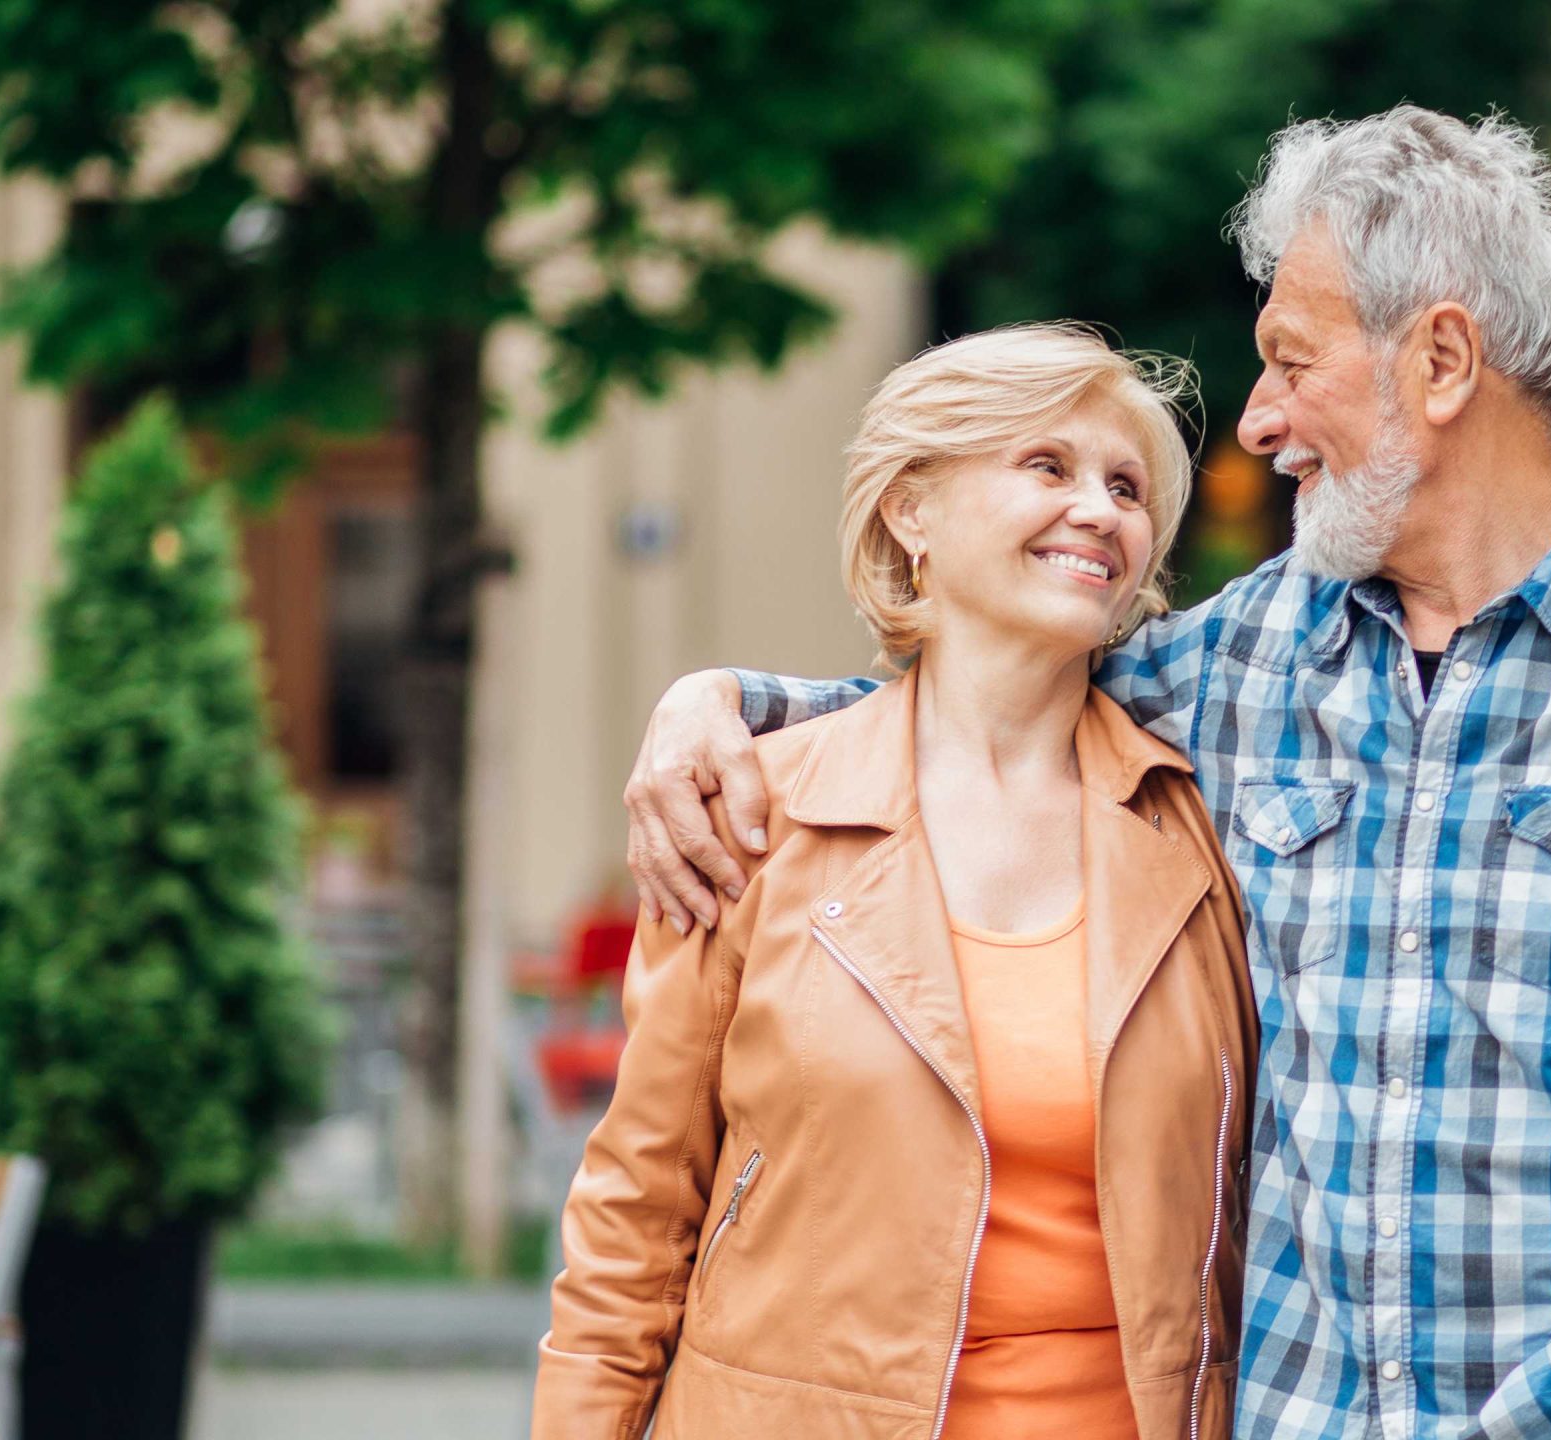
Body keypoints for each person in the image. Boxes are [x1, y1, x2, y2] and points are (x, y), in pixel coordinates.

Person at [624, 107, 1551, 1440]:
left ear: (1439, 364)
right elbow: (976, 707)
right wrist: (723, 709)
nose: (1254, 421)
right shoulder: (1240, 662)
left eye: (1291, 361)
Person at [534, 325, 1262, 1438]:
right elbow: (637, 1214)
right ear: (910, 511)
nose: (1100, 511)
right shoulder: (750, 817)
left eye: (1124, 487)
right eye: (1047, 467)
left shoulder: (1201, 828)